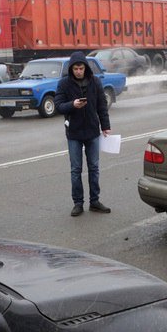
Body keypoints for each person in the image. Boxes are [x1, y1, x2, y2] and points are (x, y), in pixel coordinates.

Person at [55, 52, 112, 216]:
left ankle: (94, 201)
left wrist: (105, 126)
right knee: (76, 170)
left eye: (81, 68)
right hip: (74, 132)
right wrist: (72, 105)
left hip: (92, 131)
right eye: (75, 69)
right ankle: (78, 203)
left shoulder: (95, 82)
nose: (78, 71)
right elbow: (59, 106)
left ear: (85, 68)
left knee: (94, 168)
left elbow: (102, 105)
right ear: (71, 69)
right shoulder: (64, 84)